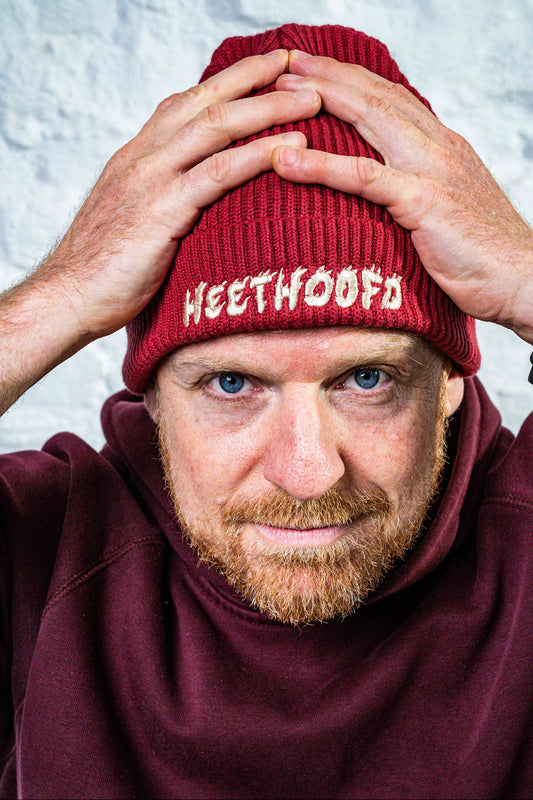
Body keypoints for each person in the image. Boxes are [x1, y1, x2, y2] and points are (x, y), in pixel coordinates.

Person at [1, 21, 532, 799]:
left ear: (450, 375)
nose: (307, 474)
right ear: (152, 394)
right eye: (230, 384)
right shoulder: (45, 551)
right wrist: (62, 296)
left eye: (365, 380)